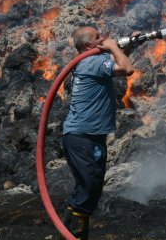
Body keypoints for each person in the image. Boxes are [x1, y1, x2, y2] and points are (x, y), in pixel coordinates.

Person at [59, 26, 135, 240]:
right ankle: (75, 235)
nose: (103, 39)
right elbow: (127, 69)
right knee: (90, 187)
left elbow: (118, 65)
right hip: (83, 138)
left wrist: (132, 44)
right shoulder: (92, 62)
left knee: (87, 186)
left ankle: (64, 232)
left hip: (84, 137)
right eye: (98, 38)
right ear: (87, 46)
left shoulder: (90, 63)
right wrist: (112, 46)